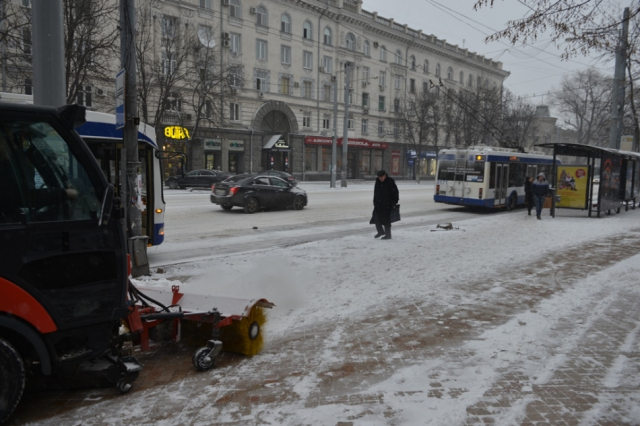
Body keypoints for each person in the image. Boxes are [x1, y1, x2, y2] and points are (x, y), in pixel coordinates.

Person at [372, 170, 399, 239]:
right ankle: (380, 231)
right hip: (378, 204)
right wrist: (375, 202)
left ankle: (388, 235)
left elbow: (395, 192)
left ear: (385, 175)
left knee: (386, 220)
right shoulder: (377, 181)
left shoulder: (390, 181)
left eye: (382, 177)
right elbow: (375, 192)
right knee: (376, 218)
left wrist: (394, 202)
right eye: (379, 177)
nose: (380, 178)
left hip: (387, 204)